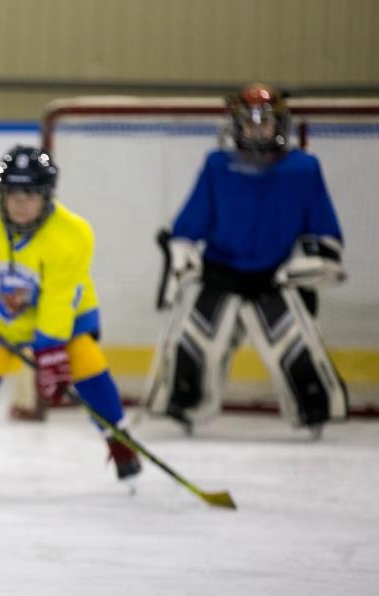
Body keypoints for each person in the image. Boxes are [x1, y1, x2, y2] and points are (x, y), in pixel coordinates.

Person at [0, 146, 142, 485]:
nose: (20, 203)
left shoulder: (71, 235)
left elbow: (59, 301)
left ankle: (120, 443)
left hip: (68, 319)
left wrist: (50, 350)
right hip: (7, 318)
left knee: (86, 360)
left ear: (46, 196)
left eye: (30, 194)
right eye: (13, 193)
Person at [145, 83, 347, 435]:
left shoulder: (303, 169)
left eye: (264, 122)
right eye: (248, 122)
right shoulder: (218, 165)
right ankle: (184, 405)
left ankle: (313, 409)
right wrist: (180, 251)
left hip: (273, 277)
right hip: (220, 273)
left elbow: (323, 230)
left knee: (294, 347)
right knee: (193, 345)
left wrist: (315, 262)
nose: (256, 130)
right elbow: (191, 222)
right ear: (235, 125)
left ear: (279, 124)